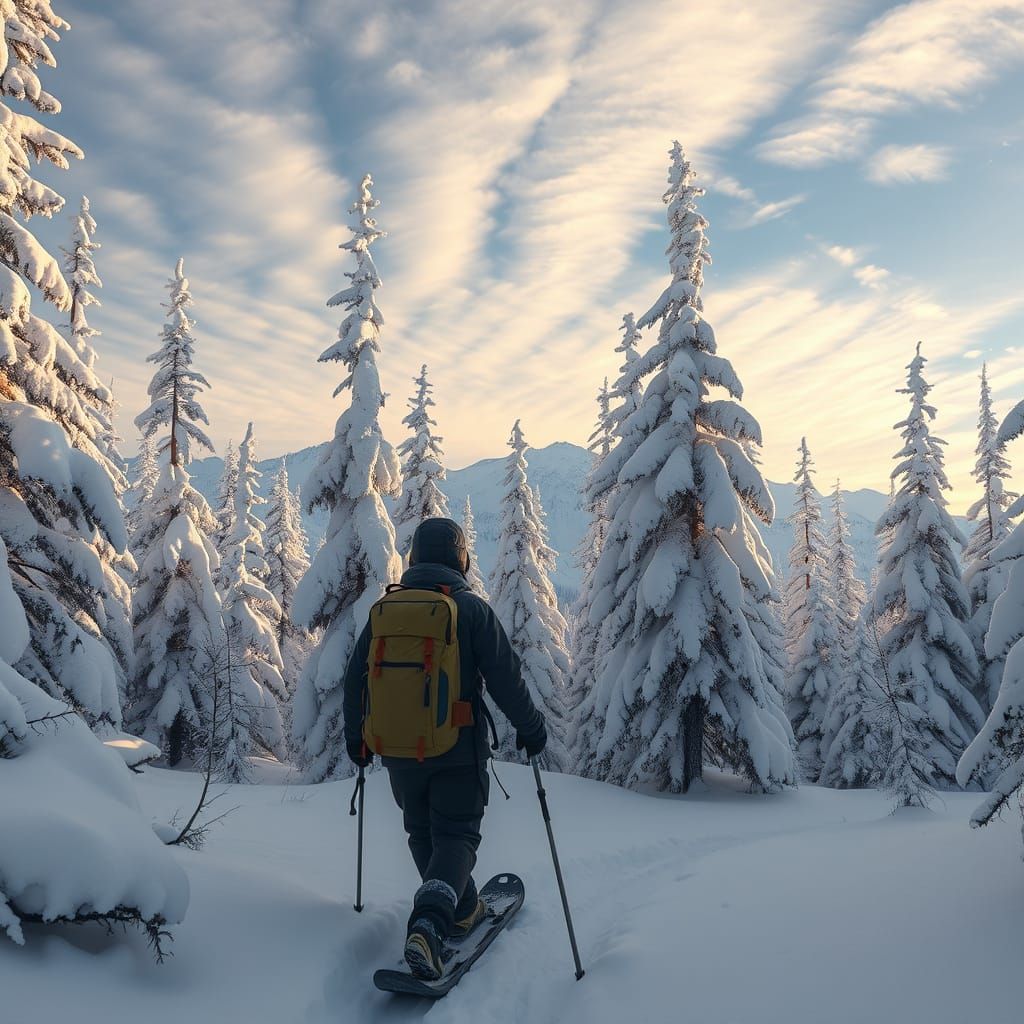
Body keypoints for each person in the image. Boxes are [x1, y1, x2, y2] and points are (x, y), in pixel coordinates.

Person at [342, 517, 547, 979]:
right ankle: (429, 925)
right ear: (461, 560)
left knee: (423, 835)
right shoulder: (471, 610)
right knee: (456, 836)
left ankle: (464, 908)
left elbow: (356, 680)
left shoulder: (384, 612)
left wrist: (358, 740)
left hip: (398, 752)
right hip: (457, 750)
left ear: (414, 557)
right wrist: (531, 729)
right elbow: (506, 679)